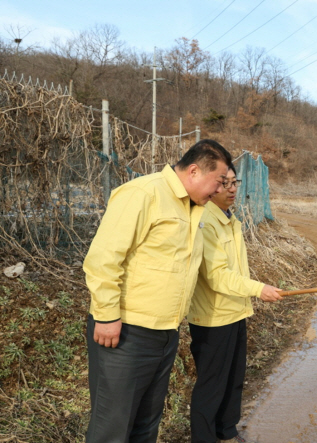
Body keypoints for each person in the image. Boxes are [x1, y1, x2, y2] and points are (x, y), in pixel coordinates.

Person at [83, 139, 232, 443]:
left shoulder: (193, 208)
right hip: (126, 333)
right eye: (218, 181)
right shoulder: (144, 194)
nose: (220, 190)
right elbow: (103, 259)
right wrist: (107, 315)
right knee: (112, 427)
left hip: (164, 333)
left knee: (146, 425)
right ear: (194, 171)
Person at [188, 166, 283, 443]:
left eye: (234, 182)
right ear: (210, 185)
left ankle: (227, 432)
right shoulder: (205, 221)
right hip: (213, 317)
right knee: (211, 386)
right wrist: (258, 289)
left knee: (233, 380)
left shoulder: (230, 219)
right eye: (223, 183)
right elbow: (216, 276)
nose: (231, 189)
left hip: (235, 312)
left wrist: (251, 293)